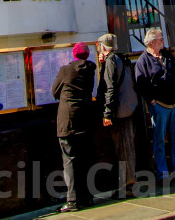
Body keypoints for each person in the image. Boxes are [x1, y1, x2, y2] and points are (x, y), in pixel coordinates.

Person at [133, 27, 175, 181]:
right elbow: (140, 83)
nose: (163, 41)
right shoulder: (143, 61)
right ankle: (162, 172)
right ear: (152, 42)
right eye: (161, 39)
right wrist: (151, 100)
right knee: (159, 139)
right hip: (159, 105)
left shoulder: (167, 56)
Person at [51, 42, 97, 212]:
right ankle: (87, 197)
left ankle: (72, 201)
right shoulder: (90, 70)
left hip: (68, 120)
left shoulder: (65, 70)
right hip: (85, 117)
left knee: (69, 160)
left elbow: (54, 91)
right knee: (85, 159)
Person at [96, 33, 137, 195]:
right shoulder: (121, 58)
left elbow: (109, 87)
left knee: (122, 147)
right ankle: (128, 182)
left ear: (103, 47)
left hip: (119, 111)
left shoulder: (111, 61)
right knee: (127, 145)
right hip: (129, 107)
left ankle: (127, 185)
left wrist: (107, 113)